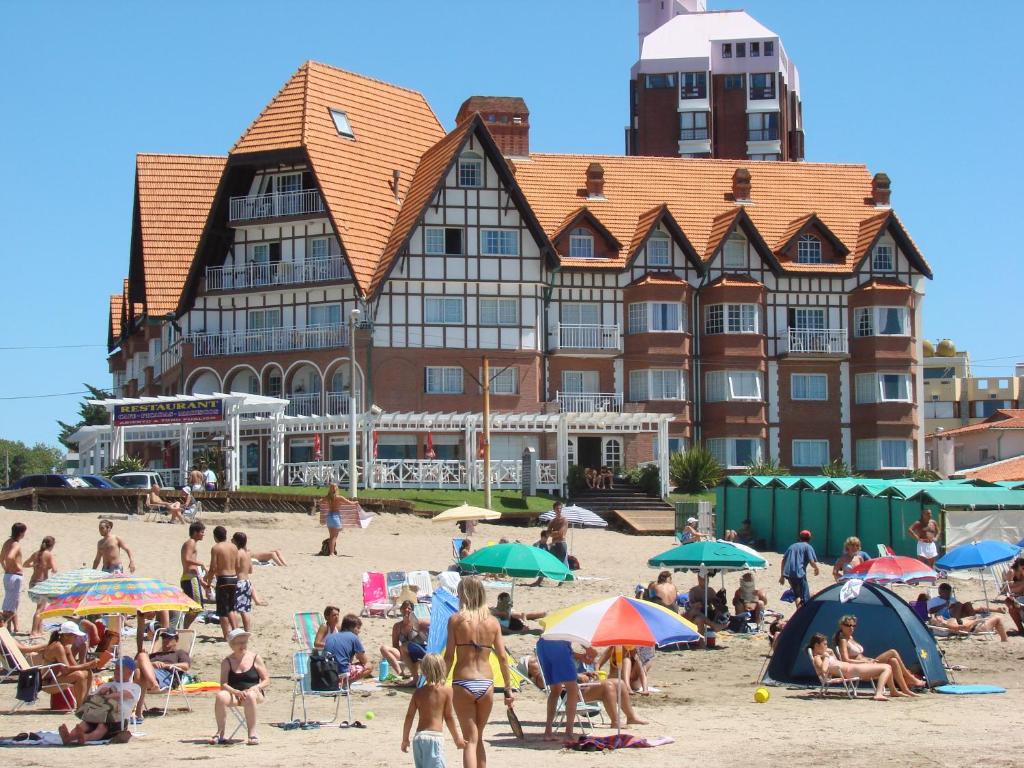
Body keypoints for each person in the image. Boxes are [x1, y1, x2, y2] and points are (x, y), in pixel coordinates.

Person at [443, 576, 512, 767]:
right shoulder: (492, 622)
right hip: (486, 684)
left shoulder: (456, 620)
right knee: (478, 737)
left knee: (469, 740)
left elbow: (449, 656)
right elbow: (503, 658)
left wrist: (439, 681)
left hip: (463, 682)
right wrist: (508, 688)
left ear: (463, 595)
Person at [401, 653, 465, 767]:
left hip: (418, 738)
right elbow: (449, 717)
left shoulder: (418, 692)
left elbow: (409, 716)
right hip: (434, 738)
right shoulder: (447, 691)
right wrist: (457, 738)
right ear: (442, 669)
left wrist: (405, 739)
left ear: (423, 670)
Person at [58, 656, 140, 745]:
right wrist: (100, 692)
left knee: (102, 726)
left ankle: (85, 737)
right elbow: (93, 698)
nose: (116, 671)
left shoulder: (134, 687)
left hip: (117, 720)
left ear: (129, 672)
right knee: (85, 723)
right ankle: (69, 737)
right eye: (116, 668)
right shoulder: (108, 684)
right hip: (98, 714)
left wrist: (107, 696)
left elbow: (123, 695)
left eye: (120, 669)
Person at [834, 615, 923, 696]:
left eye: (853, 625)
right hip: (860, 668)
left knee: (893, 661)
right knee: (892, 652)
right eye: (848, 625)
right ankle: (910, 677)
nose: (851, 628)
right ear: (841, 626)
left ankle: (902, 690)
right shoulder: (843, 641)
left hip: (866, 663)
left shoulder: (850, 638)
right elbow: (846, 660)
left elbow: (859, 655)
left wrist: (868, 659)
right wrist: (864, 661)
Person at [211, 628, 269, 745]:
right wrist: (235, 691)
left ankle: (252, 734)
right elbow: (223, 684)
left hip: (254, 693)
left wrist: (256, 687)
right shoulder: (227, 661)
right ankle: (220, 733)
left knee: (250, 695)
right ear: (232, 645)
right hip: (235, 694)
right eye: (239, 643)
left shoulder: (255, 657)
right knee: (220, 696)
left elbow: (266, 680)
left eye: (244, 642)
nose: (243, 646)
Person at [807, 633, 895, 701]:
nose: (827, 646)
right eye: (825, 644)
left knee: (888, 667)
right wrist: (826, 656)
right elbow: (824, 670)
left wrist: (831, 653)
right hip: (851, 671)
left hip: (852, 668)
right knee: (886, 667)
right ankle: (878, 694)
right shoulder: (817, 658)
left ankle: (893, 691)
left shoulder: (825, 655)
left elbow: (837, 662)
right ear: (817, 645)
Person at [575, 646, 647, 726]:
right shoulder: (561, 656)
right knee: (607, 686)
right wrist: (577, 676)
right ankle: (615, 721)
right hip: (571, 692)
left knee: (620, 683)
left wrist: (585, 674)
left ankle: (631, 717)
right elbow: (560, 676)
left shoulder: (568, 654)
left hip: (581, 687)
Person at [133, 628, 191, 718]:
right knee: (138, 668)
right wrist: (152, 664)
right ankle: (139, 711)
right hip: (149, 677)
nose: (165, 640)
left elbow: (186, 666)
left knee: (142, 657)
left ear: (177, 640)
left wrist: (166, 665)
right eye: (164, 637)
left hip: (166, 676)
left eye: (169, 637)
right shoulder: (154, 655)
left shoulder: (179, 653)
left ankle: (153, 685)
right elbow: (134, 664)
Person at [40, 622, 100, 705]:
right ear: (66, 635)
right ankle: (80, 706)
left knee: (88, 672)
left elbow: (75, 666)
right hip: (47, 683)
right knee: (79, 675)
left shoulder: (65, 647)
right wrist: (88, 664)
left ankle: (84, 703)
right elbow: (66, 670)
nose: (76, 638)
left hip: (55, 680)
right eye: (75, 636)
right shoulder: (58, 647)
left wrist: (94, 665)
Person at [535, 637, 577, 742]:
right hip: (558, 643)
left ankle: (548, 732)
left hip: (543, 644)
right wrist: (588, 648)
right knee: (572, 689)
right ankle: (568, 734)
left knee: (555, 690)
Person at [204, 525, 239, 639]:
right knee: (231, 608)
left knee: (222, 610)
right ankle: (236, 631)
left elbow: (213, 568)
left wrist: (208, 583)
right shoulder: (234, 547)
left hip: (223, 579)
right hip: (234, 578)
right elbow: (237, 565)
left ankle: (226, 635)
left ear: (215, 536)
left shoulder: (216, 548)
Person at [381, 599, 430, 680]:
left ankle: (414, 674)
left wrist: (419, 627)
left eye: (409, 608)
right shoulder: (397, 626)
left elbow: (426, 636)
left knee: (404, 646)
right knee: (384, 648)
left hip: (418, 651)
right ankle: (400, 673)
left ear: (413, 611)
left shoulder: (418, 623)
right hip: (404, 652)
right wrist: (401, 655)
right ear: (400, 610)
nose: (406, 610)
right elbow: (395, 644)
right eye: (404, 608)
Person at [232, 532, 268, 633]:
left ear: (236, 541)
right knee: (245, 609)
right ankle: (247, 630)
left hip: (239, 582)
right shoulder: (247, 553)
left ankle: (238, 630)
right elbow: (251, 570)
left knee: (236, 608)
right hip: (247, 582)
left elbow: (234, 567)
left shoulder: (237, 553)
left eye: (233, 539)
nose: (231, 541)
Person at [324, 613, 374, 682]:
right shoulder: (353, 637)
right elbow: (364, 660)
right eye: (358, 628)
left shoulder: (331, 637)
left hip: (326, 673)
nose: (359, 631)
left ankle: (343, 683)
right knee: (369, 666)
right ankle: (346, 684)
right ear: (351, 627)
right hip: (341, 674)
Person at [23, 535, 56, 638]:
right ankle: (34, 631)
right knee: (40, 608)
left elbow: (25, 564)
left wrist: (34, 565)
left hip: (33, 582)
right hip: (42, 583)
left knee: (42, 607)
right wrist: (49, 568)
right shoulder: (48, 554)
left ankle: (39, 630)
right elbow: (55, 569)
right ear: (52, 545)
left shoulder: (36, 553)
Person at [780, 529, 819, 607]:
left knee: (797, 595)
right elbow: (812, 561)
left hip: (789, 574)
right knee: (805, 597)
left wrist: (782, 576)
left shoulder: (792, 546)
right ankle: (802, 616)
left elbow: (783, 560)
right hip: (800, 574)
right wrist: (816, 568)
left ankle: (798, 614)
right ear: (809, 538)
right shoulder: (808, 547)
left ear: (799, 537)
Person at [1, 522, 27, 632]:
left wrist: (6, 568)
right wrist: (18, 567)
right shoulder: (16, 544)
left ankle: (12, 628)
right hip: (15, 576)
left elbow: (1, 558)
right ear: (21, 533)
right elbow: (10, 556)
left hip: (7, 575)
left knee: (10, 604)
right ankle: (2, 624)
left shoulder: (7, 542)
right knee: (12, 607)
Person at [180, 521, 206, 629]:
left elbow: (192, 563)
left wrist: (201, 581)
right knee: (196, 607)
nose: (203, 534)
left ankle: (184, 628)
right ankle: (184, 629)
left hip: (192, 578)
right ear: (195, 532)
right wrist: (202, 563)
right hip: (189, 578)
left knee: (194, 607)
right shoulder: (190, 542)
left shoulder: (193, 543)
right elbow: (187, 559)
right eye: (202, 532)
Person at [320, 482, 349, 556]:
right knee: (334, 537)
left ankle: (331, 551)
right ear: (336, 488)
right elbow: (349, 503)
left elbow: (320, 502)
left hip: (329, 517)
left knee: (331, 536)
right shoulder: (339, 497)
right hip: (336, 518)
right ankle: (331, 553)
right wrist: (356, 503)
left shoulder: (327, 497)